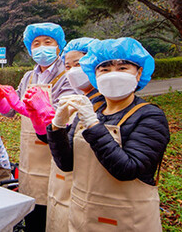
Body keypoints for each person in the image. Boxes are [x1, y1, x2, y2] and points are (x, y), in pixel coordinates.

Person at [47, 37, 169, 231]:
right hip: (83, 216)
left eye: (122, 68)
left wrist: (94, 125)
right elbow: (66, 163)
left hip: (127, 220)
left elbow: (127, 169)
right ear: (94, 75)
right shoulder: (88, 111)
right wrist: (57, 127)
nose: (113, 75)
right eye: (105, 69)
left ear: (138, 74)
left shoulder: (150, 116)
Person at [0, 22, 76, 231]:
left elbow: (62, 116)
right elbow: (11, 111)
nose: (41, 47)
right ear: (30, 49)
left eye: (48, 42)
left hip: (56, 150)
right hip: (31, 154)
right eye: (36, 43)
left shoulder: (68, 75)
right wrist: (0, 101)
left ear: (59, 46)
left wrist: (21, 105)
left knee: (52, 209)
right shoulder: (29, 76)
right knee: (33, 209)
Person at [23, 37, 102, 231]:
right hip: (45, 159)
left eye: (79, 65)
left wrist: (47, 113)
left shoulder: (107, 105)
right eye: (69, 66)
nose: (73, 71)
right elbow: (61, 149)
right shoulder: (28, 76)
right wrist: (36, 117)